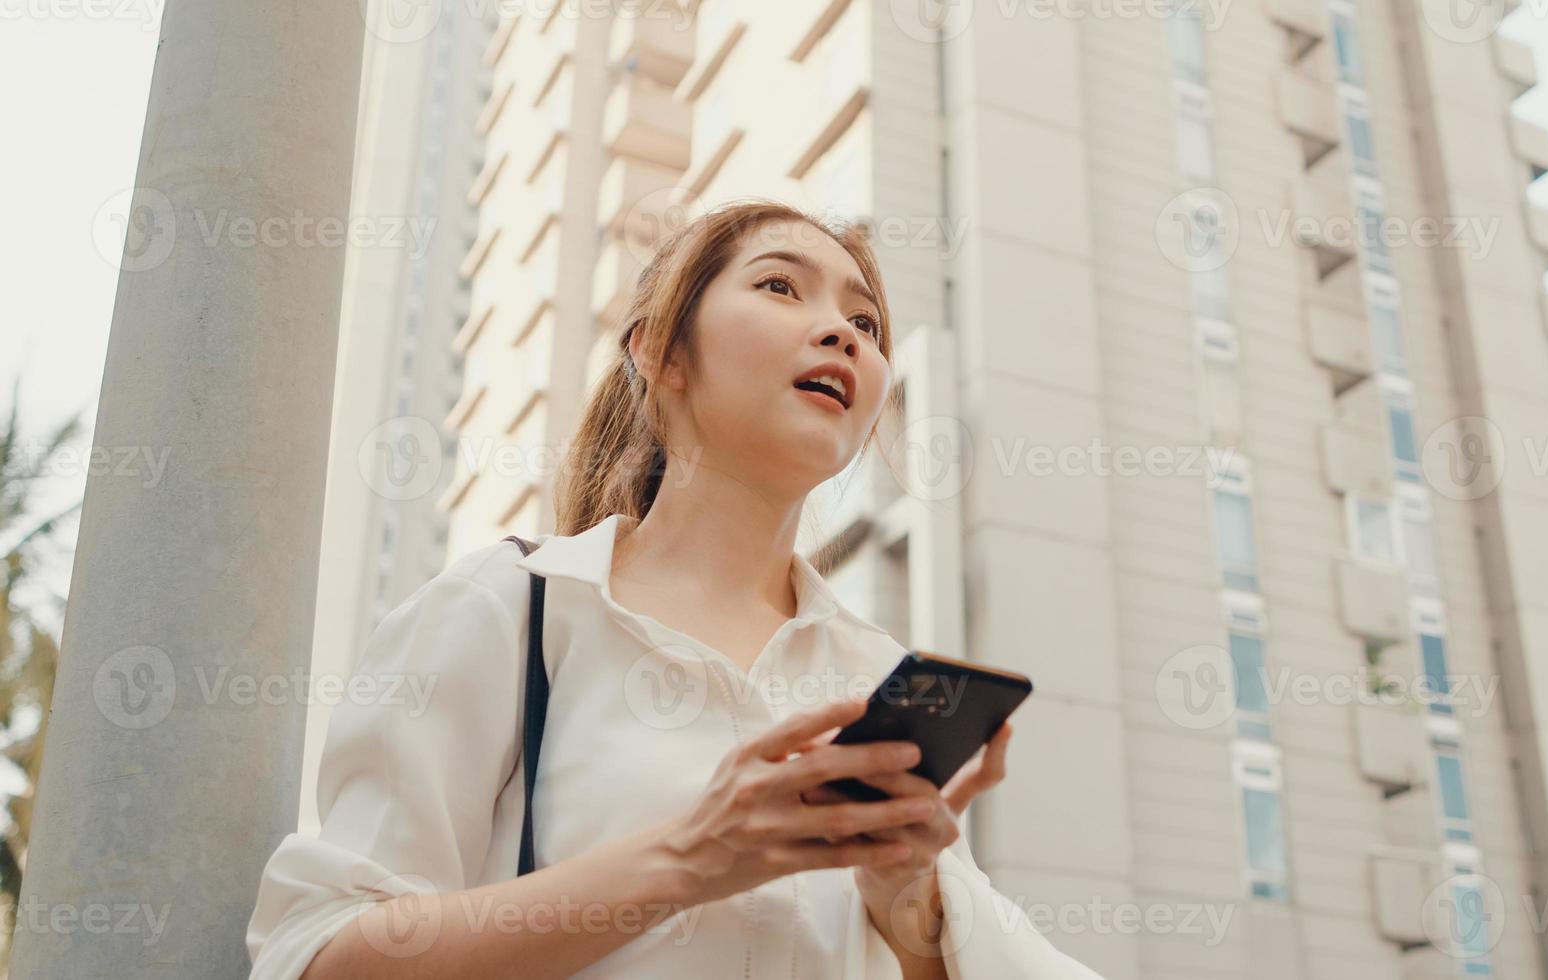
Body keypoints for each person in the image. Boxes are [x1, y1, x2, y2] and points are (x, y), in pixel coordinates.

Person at [245, 199, 1106, 978]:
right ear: (659, 350)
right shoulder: (510, 606)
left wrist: (908, 908)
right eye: (780, 286)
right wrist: (694, 855)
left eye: (865, 321)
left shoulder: (877, 675)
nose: (844, 334)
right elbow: (315, 955)